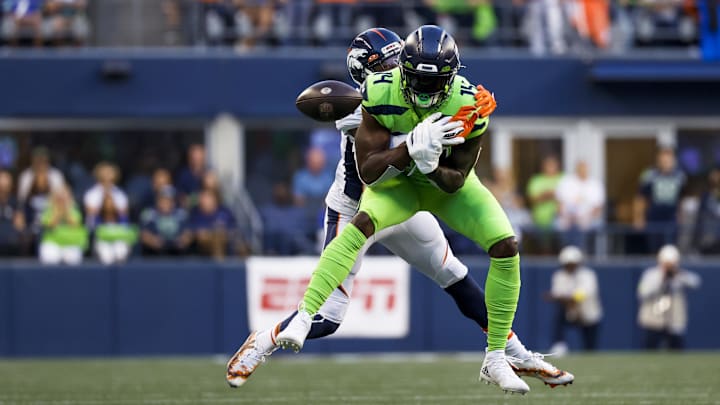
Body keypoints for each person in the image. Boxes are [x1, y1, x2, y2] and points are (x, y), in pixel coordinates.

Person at [228, 26, 571, 395]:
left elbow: (446, 152)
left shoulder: (416, 91)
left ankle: (511, 352)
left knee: (456, 277)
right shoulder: (361, 107)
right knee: (329, 319)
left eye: (396, 59)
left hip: (407, 198)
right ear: (365, 71)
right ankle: (264, 340)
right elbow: (374, 166)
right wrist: (413, 143)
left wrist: (457, 126)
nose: (395, 67)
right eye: (385, 62)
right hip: (358, 206)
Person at [637, 244, 701, 350]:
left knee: (676, 352)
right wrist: (662, 278)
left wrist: (678, 275)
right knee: (648, 352)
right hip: (653, 321)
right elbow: (643, 293)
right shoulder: (651, 274)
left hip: (674, 321)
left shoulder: (679, 276)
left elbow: (696, 282)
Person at [546, 246, 603, 354]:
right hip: (568, 311)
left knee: (590, 347)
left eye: (572, 264)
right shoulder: (559, 275)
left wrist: (570, 298)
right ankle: (559, 345)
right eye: (568, 264)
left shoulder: (588, 275)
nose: (570, 267)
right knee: (558, 317)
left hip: (587, 313)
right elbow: (557, 294)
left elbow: (583, 294)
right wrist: (567, 301)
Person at [633, 148, 687, 252]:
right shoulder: (650, 175)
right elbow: (640, 197)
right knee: (654, 248)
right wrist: (639, 217)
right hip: (654, 217)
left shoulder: (680, 176)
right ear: (658, 160)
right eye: (663, 159)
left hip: (671, 218)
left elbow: (681, 198)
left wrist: (681, 216)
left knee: (670, 248)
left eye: (668, 160)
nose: (666, 162)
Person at [83, 162, 135, 265]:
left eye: (110, 172)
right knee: (106, 255)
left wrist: (112, 206)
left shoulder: (120, 194)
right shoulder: (92, 193)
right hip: (99, 232)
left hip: (117, 231)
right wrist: (105, 204)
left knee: (120, 252)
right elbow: (90, 213)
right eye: (105, 172)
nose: (107, 175)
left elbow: (124, 214)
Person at [555, 160, 605, 252]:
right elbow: (559, 205)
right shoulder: (566, 182)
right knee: (563, 225)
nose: (582, 170)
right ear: (576, 169)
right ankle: (568, 253)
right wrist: (569, 216)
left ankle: (580, 254)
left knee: (582, 227)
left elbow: (598, 209)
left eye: (584, 168)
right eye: (580, 168)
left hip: (588, 220)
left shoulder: (595, 183)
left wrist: (584, 217)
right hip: (567, 219)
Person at [39, 185, 87, 265]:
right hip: (53, 242)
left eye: (64, 196)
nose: (62, 199)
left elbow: (74, 224)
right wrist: (57, 211)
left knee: (73, 259)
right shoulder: (48, 210)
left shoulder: (75, 209)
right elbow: (51, 225)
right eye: (60, 196)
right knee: (49, 258)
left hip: (71, 243)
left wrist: (66, 210)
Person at [140, 186, 193, 256]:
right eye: (164, 200)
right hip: (154, 255)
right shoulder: (149, 214)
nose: (167, 203)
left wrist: (183, 240)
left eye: (170, 200)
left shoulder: (181, 214)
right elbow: (143, 234)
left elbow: (189, 233)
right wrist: (152, 240)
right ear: (158, 200)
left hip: (177, 254)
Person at [526, 155, 563, 253]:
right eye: (548, 165)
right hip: (539, 220)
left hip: (559, 219)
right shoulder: (536, 180)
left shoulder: (563, 179)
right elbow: (532, 199)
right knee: (542, 247)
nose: (550, 168)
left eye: (552, 165)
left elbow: (566, 197)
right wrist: (548, 195)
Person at [189, 189, 237, 260]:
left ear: (215, 199)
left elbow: (233, 228)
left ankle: (221, 265)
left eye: (207, 197)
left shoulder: (224, 211)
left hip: (224, 241)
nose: (204, 200)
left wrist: (222, 231)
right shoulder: (196, 213)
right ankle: (219, 266)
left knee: (218, 238)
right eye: (202, 197)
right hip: (201, 244)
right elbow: (191, 229)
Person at [694, 166, 720, 254]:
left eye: (717, 174)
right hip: (708, 239)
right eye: (713, 174)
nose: (715, 177)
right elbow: (700, 218)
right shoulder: (705, 196)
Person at [0, 170, 27, 255]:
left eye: (6, 185)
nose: (3, 187)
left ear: (10, 185)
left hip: (11, 242)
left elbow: (20, 225)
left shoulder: (15, 202)